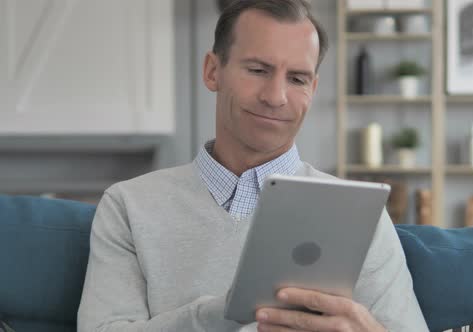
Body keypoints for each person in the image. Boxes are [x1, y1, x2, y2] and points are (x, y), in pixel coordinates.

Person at [77, 1, 428, 331]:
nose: (275, 96)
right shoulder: (127, 206)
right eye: (258, 70)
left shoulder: (358, 214)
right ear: (213, 72)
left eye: (297, 79)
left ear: (313, 88)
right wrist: (225, 312)